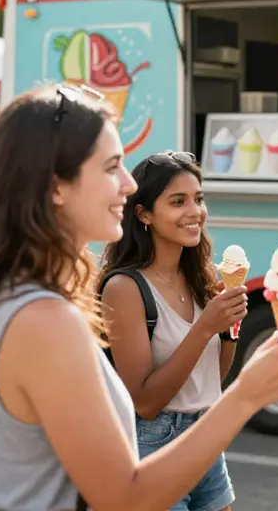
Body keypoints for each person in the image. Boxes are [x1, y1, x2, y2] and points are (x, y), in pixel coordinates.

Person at [0, 85, 278, 511]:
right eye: (111, 168)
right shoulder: (44, 319)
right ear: (55, 187)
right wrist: (247, 395)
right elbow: (124, 498)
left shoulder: (23, 298)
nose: (128, 185)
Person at [99, 151, 247, 511]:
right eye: (177, 202)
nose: (195, 211)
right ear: (144, 213)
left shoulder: (205, 277)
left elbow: (213, 377)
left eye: (198, 199)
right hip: (152, 445)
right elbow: (145, 402)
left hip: (205, 438)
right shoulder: (124, 288)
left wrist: (228, 327)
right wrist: (205, 327)